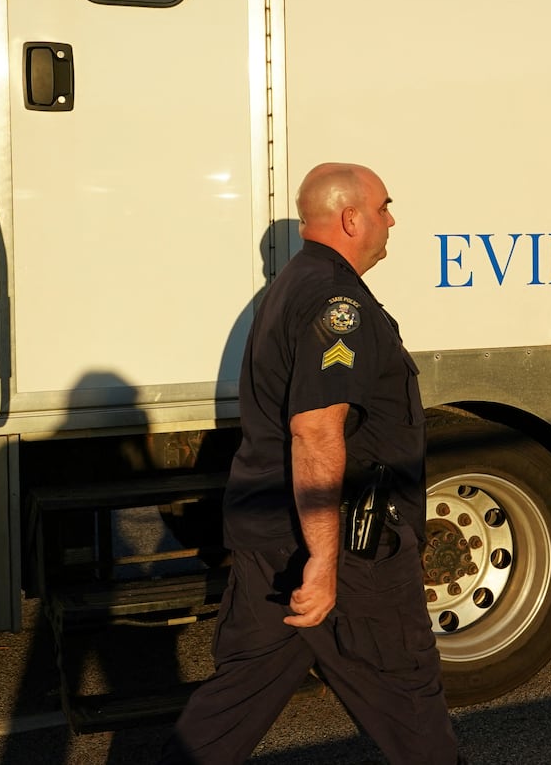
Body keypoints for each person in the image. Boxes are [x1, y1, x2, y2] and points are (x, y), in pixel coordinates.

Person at [161, 163, 463, 764]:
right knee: (408, 701)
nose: (391, 220)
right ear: (351, 218)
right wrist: (324, 562)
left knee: (236, 703)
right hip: (343, 549)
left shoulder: (293, 285)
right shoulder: (336, 302)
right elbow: (317, 433)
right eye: (383, 207)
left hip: (271, 536)